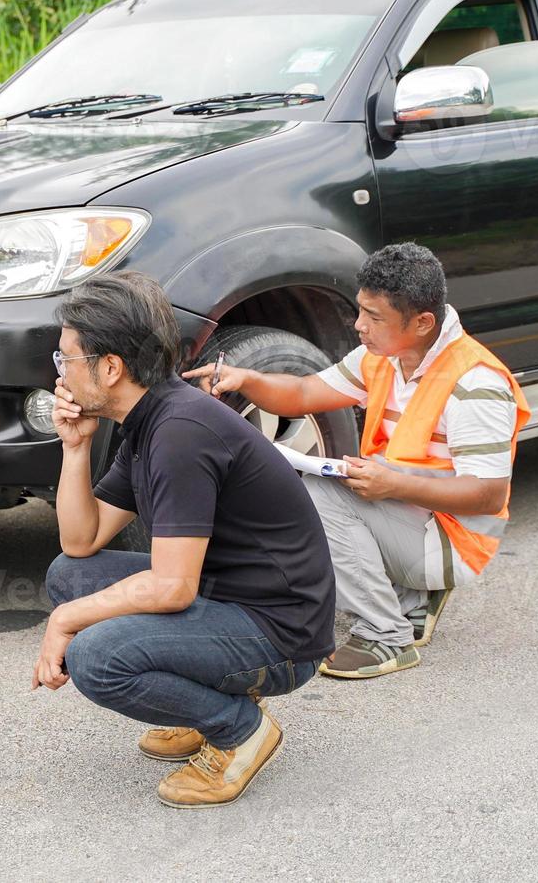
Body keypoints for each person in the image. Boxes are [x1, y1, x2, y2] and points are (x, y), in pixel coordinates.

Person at [35, 270, 335, 809]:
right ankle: (197, 706)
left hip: (281, 632)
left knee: (95, 659)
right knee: (69, 578)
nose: (60, 373)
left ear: (109, 367)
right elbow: (82, 542)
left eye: (67, 359)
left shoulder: (180, 434)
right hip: (225, 595)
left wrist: (66, 621)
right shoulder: (150, 417)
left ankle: (238, 729)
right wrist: (75, 449)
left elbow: (172, 587)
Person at [184, 243, 530, 679]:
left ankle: (387, 636)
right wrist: (247, 378)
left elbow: (487, 495)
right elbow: (306, 393)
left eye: (374, 317)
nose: (358, 325)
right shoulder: (382, 357)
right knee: (304, 487)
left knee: (319, 497)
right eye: (361, 310)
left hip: (454, 539)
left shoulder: (475, 384)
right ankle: (411, 599)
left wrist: (392, 485)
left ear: (423, 322)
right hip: (412, 517)